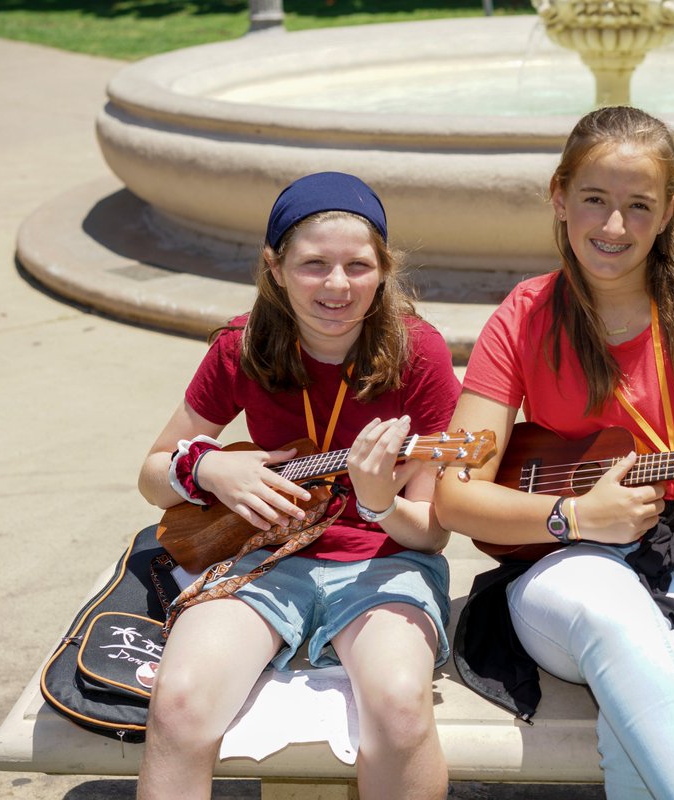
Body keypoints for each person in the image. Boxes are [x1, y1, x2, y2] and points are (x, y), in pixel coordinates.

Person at [435, 106, 674, 799]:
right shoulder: (524, 317)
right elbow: (453, 492)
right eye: (595, 199)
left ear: (668, 211)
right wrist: (578, 517)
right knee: (610, 610)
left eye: (638, 206)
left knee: (649, 737)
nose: (614, 227)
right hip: (565, 566)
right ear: (559, 197)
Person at [136, 172, 460, 800]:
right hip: (264, 556)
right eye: (314, 264)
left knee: (398, 708)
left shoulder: (419, 353)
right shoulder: (242, 345)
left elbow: (432, 530)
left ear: (383, 271)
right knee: (177, 704)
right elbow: (152, 477)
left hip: (383, 561)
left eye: (357, 266)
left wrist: (378, 502)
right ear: (275, 268)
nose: (337, 285)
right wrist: (207, 467)